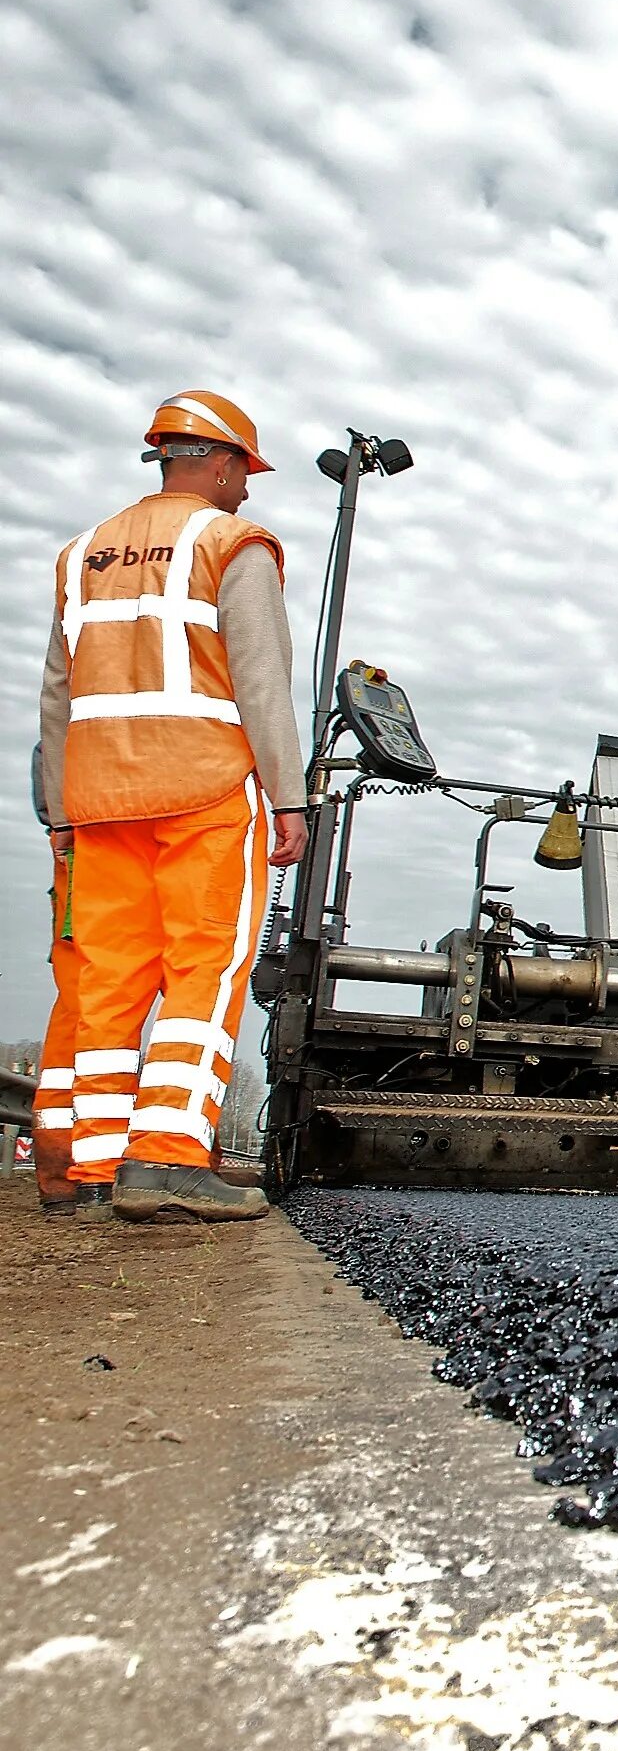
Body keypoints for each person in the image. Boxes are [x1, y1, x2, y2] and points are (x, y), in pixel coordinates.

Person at [39, 391, 308, 1222]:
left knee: (109, 981)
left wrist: (59, 815)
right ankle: (166, 1162)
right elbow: (262, 683)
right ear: (222, 463)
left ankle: (90, 1174)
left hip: (96, 802)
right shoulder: (233, 545)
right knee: (206, 969)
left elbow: (57, 693)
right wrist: (289, 797)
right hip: (203, 794)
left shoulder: (81, 553)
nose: (248, 490)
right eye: (246, 473)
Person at [27, 744, 84, 1215]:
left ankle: (63, 1175)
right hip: (157, 847)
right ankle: (173, 1160)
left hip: (81, 850)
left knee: (79, 1006)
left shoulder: (82, 681)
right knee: (192, 1002)